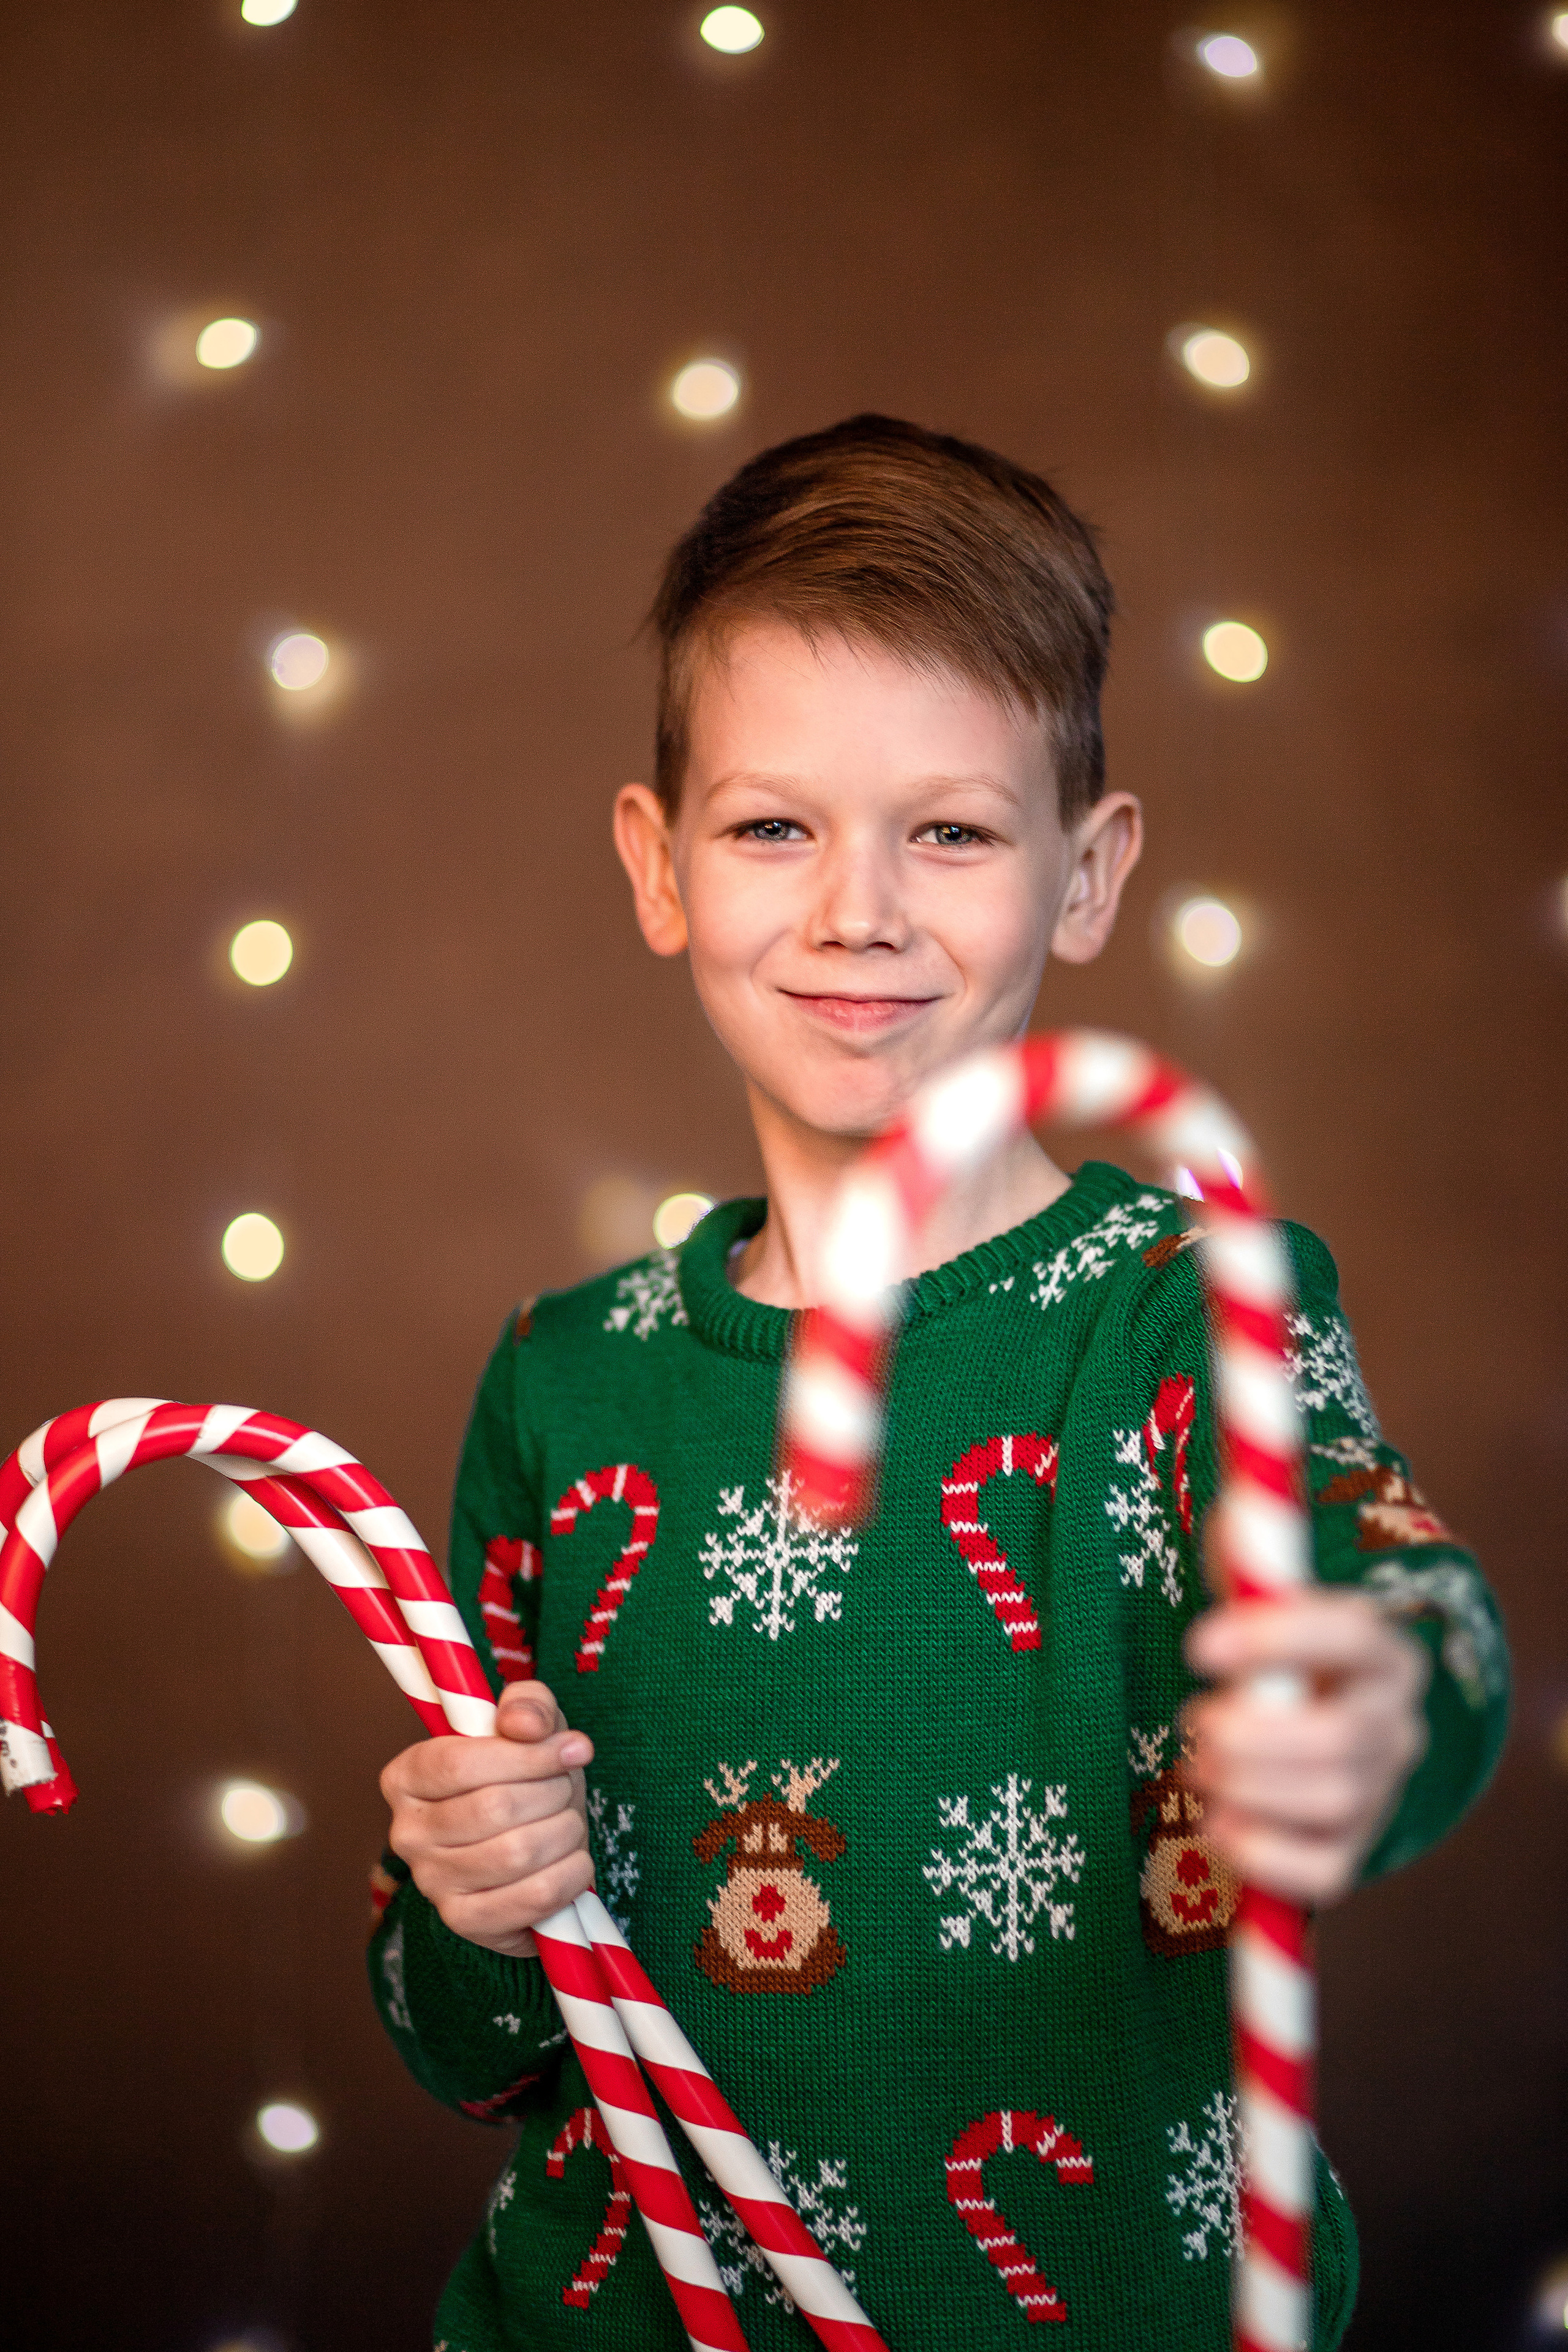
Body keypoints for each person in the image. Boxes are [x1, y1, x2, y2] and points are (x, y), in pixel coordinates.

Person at [369, 415, 1507, 2351]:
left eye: (953, 830)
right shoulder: (564, 1389)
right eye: (772, 826)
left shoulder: (1183, 1314)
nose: (859, 912)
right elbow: (470, 2056)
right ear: (660, 869)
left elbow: (1419, 1613)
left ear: (1088, 872)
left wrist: (1375, 1708)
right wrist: (466, 1905)